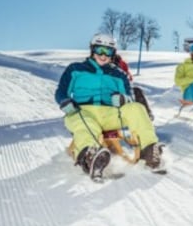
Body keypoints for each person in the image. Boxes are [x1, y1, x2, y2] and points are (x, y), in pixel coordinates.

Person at [55, 33, 165, 176]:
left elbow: (129, 98)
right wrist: (64, 101)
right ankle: (90, 156)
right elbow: (61, 92)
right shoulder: (75, 69)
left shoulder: (119, 74)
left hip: (110, 115)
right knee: (85, 124)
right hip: (82, 111)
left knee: (136, 108)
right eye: (100, 49)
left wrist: (123, 99)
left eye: (108, 51)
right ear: (92, 50)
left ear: (113, 53)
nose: (103, 55)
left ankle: (149, 150)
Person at [112, 52, 154, 121]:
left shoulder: (121, 62)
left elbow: (129, 77)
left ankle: (147, 114)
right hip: (106, 90)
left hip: (122, 88)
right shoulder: (99, 61)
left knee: (137, 91)